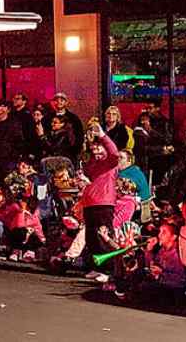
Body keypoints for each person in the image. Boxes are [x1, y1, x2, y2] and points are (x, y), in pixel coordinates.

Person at [81, 126, 121, 279]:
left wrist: (102, 135)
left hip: (104, 205)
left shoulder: (109, 162)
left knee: (103, 237)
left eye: (99, 147)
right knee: (91, 238)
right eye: (94, 148)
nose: (95, 151)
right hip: (89, 204)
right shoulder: (92, 164)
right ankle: (97, 267)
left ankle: (108, 270)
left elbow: (114, 153)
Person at [0, 102, 28, 174]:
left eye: (1, 106)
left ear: (8, 110)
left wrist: (14, 155)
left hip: (9, 158)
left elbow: (19, 142)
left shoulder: (14, 124)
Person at [51, 92, 85, 157]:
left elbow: (79, 136)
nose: (59, 102)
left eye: (61, 100)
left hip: (69, 155)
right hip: (52, 154)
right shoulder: (47, 118)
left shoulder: (74, 118)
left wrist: (74, 152)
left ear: (66, 102)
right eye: (56, 100)